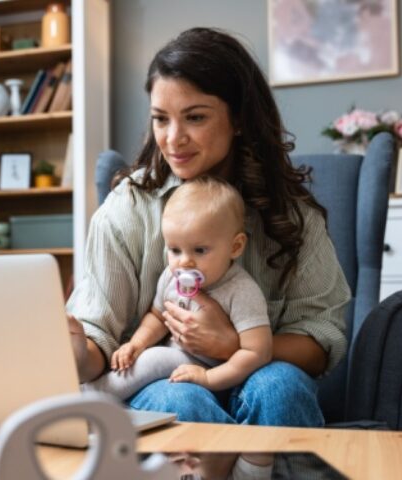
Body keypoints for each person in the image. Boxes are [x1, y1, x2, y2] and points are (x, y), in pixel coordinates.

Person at [66, 27, 351, 426]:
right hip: (165, 378)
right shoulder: (126, 208)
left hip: (261, 373)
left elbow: (321, 340)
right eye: (160, 120)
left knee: (281, 388)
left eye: (195, 117)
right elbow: (99, 339)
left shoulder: (292, 213)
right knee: (182, 401)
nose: (173, 139)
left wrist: (233, 345)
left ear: (238, 119)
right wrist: (75, 348)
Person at [85, 177, 272, 400]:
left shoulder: (242, 291)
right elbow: (157, 316)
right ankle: (97, 395)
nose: (184, 262)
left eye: (200, 250)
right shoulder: (171, 277)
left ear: (235, 246)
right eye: (175, 250)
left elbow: (258, 352)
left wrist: (209, 378)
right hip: (179, 367)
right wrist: (136, 344)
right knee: (146, 357)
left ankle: (94, 397)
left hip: (218, 372)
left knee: (155, 359)